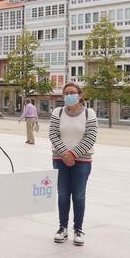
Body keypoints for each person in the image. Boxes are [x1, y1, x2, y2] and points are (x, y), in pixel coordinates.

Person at [49, 82, 98, 246]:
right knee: (62, 194)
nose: (69, 95)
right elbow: (53, 134)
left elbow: (91, 136)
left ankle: (78, 229)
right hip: (60, 160)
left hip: (82, 160)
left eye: (72, 92)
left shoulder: (89, 113)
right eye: (66, 93)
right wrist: (64, 153)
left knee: (78, 195)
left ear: (80, 95)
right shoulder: (58, 112)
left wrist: (73, 154)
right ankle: (62, 228)